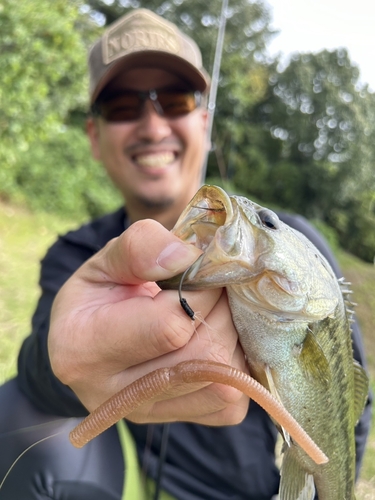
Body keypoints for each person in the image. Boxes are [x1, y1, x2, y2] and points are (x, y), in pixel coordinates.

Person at [0, 8, 371, 500]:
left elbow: (352, 411)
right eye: (122, 106)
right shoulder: (77, 255)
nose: (153, 128)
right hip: (120, 483)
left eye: (174, 100)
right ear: (93, 135)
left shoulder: (298, 242)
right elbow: (35, 370)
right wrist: (60, 358)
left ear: (204, 120)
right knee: (16, 415)